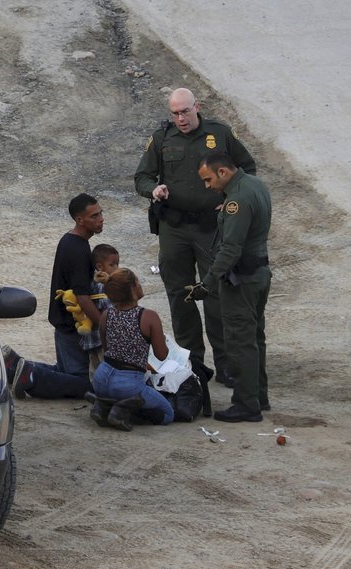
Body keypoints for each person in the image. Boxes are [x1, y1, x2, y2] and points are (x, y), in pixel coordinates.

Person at [134, 88, 257, 389]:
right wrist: (154, 190)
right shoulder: (162, 139)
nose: (180, 118)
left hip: (211, 227)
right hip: (174, 228)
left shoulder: (220, 134)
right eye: (174, 113)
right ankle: (194, 365)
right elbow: (142, 177)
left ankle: (227, 364)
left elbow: (248, 168)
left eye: (185, 112)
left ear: (196, 107)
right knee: (181, 296)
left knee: (216, 294)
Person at [192, 152, 271, 422]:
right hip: (259, 274)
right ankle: (258, 395)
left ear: (223, 172)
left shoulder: (236, 200)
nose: (207, 186)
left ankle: (247, 405)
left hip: (242, 281)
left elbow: (230, 250)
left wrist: (207, 282)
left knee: (239, 342)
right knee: (255, 338)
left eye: (208, 179)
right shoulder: (255, 184)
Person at [2, 193, 104, 399]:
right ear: (79, 220)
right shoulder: (78, 250)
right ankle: (31, 377)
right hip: (72, 326)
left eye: (101, 213)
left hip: (64, 323)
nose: (101, 219)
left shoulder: (72, 241)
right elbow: (82, 297)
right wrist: (105, 324)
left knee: (65, 374)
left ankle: (16, 366)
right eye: (94, 216)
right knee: (83, 383)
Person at [85, 268, 175, 431]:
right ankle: (121, 410)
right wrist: (161, 339)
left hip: (101, 378)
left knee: (120, 391)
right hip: (128, 384)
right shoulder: (149, 316)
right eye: (138, 282)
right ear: (133, 288)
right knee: (167, 413)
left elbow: (107, 349)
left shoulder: (106, 314)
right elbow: (162, 355)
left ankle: (104, 405)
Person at [81, 244, 119, 379]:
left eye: (117, 265)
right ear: (100, 267)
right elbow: (110, 311)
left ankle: (96, 393)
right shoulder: (104, 287)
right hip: (103, 340)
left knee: (94, 369)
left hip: (91, 339)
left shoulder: (91, 283)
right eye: (112, 265)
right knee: (108, 369)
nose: (116, 269)